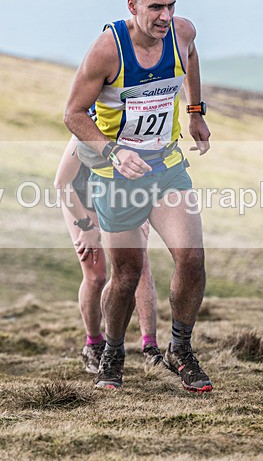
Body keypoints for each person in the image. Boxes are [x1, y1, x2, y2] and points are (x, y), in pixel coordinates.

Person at [63, 0, 213, 392]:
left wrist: (195, 112)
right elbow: (73, 114)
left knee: (192, 258)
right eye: (155, 8)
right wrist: (113, 151)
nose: (166, 16)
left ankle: (180, 349)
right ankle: (112, 353)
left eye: (171, 6)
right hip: (116, 176)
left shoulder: (182, 33)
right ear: (132, 5)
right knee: (126, 275)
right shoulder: (107, 50)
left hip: (166, 167)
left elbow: (191, 58)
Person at [54, 135, 163, 372]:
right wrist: (86, 227)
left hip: (119, 199)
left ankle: (150, 348)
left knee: (139, 265)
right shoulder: (85, 134)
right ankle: (93, 344)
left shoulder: (136, 133)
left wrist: (142, 211)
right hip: (81, 201)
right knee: (96, 276)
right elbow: (62, 183)